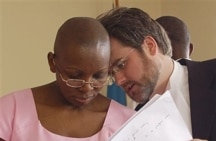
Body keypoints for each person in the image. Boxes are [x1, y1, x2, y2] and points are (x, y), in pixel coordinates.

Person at [97, 7, 216, 141]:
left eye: (121, 64)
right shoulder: (134, 125)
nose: (118, 80)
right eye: (111, 74)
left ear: (150, 46)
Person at [0, 17, 135, 141]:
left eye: (99, 76)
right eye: (75, 76)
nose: (87, 87)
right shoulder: (10, 111)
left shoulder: (128, 123)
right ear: (52, 62)